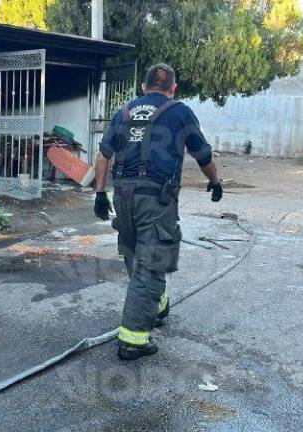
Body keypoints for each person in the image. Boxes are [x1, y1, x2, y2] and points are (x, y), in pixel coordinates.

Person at [93, 63, 223, 361]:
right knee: (152, 263)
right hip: (155, 199)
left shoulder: (123, 112)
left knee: (135, 254)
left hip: (123, 196)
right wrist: (215, 182)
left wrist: (100, 193)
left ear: (143, 87)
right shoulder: (179, 112)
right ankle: (133, 340)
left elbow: (103, 155)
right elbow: (203, 155)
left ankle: (156, 304)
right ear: (173, 88)